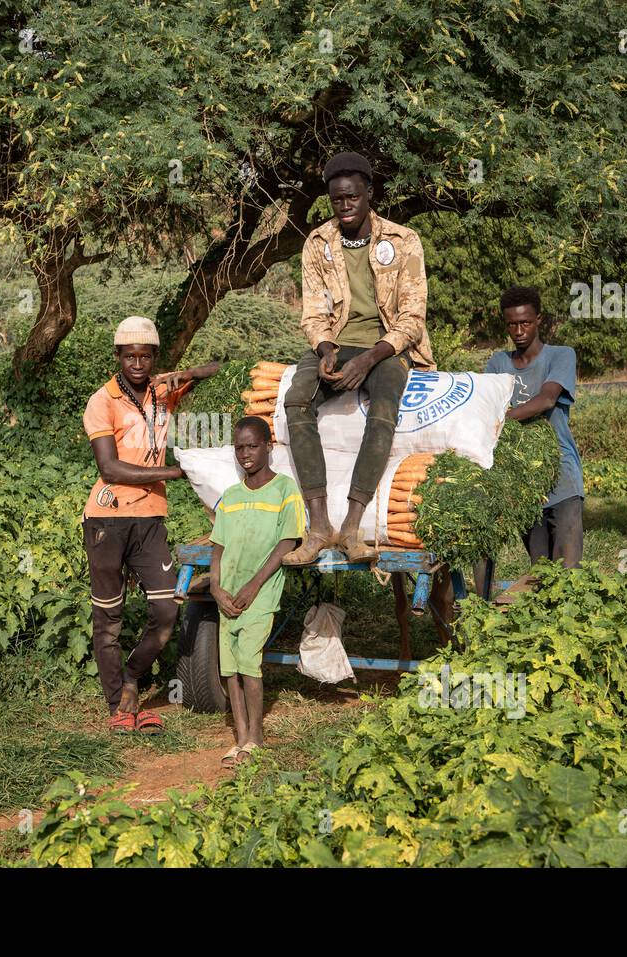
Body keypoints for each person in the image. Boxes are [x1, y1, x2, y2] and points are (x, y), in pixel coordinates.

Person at [283, 151, 434, 566]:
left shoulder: (403, 241)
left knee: (384, 405)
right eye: (336, 200)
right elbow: (313, 313)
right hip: (336, 343)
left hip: (388, 347)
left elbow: (412, 319)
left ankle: (352, 525)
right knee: (296, 400)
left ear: (369, 194)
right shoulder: (317, 244)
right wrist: (325, 348)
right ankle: (318, 528)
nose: (345, 206)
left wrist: (367, 361)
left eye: (352, 197)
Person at [82, 316, 220, 734]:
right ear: (118, 357)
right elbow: (109, 467)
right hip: (108, 520)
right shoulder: (102, 402)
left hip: (151, 518)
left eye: (145, 356)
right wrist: (177, 473)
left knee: (165, 609)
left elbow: (220, 370)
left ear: (155, 358)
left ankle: (132, 675)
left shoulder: (162, 392)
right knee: (109, 618)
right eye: (129, 356)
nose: (137, 364)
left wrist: (185, 373)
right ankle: (118, 706)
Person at [475, 286, 584, 596]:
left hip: (562, 479)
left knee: (567, 574)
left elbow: (547, 400)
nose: (519, 331)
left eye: (525, 323)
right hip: (523, 485)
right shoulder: (498, 363)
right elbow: (485, 403)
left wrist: (503, 417)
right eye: (511, 324)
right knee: (540, 572)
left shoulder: (561, 355)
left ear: (539, 320)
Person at [209, 417, 304, 767]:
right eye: (239, 448)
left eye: (252, 446)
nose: (245, 454)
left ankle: (256, 739)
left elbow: (287, 540)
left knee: (249, 660)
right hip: (228, 592)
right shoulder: (231, 496)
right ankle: (239, 736)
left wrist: (253, 584)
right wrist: (216, 586)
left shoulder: (284, 489)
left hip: (260, 590)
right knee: (229, 667)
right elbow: (217, 545)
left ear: (269, 447)